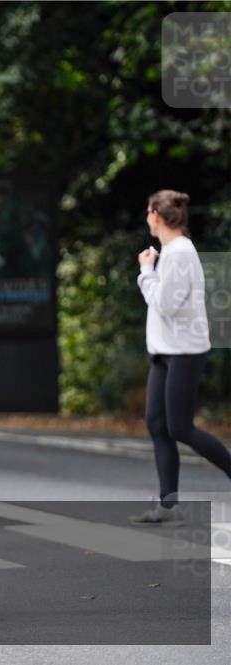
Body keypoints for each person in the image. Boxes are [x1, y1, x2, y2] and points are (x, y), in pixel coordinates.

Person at [130, 190, 231, 526]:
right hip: (164, 351)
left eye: (148, 212)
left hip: (185, 351)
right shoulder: (172, 253)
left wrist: (146, 271)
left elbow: (165, 304)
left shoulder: (180, 253)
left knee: (180, 427)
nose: (146, 218)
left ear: (157, 216)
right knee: (158, 425)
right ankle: (168, 507)